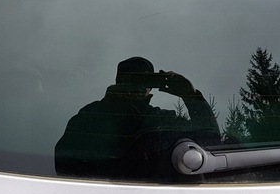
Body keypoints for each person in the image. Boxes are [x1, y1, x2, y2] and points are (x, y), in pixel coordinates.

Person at [55, 57, 219, 180]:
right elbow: (64, 161)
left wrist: (190, 95)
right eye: (134, 79)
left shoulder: (91, 113)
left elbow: (210, 139)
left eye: (144, 79)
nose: (138, 85)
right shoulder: (93, 115)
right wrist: (190, 96)